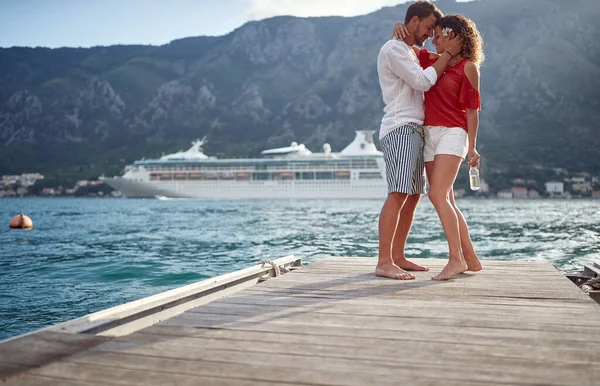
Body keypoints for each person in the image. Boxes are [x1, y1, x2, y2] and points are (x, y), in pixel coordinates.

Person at [375, 1, 463, 280]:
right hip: (400, 127)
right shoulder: (393, 49)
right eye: (427, 28)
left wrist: (444, 53)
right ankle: (384, 261)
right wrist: (446, 55)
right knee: (399, 193)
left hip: (415, 130)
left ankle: (398, 256)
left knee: (412, 197)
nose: (428, 34)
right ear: (413, 22)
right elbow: (422, 81)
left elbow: (424, 57)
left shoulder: (406, 49)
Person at [392, 14, 484, 280]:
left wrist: (473, 147)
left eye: (439, 36)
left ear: (453, 36)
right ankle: (471, 257)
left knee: (436, 195)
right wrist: (398, 28)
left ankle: (456, 259)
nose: (433, 40)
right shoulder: (431, 60)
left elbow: (472, 111)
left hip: (453, 134)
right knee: (448, 201)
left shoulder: (469, 67)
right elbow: (404, 48)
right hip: (429, 135)